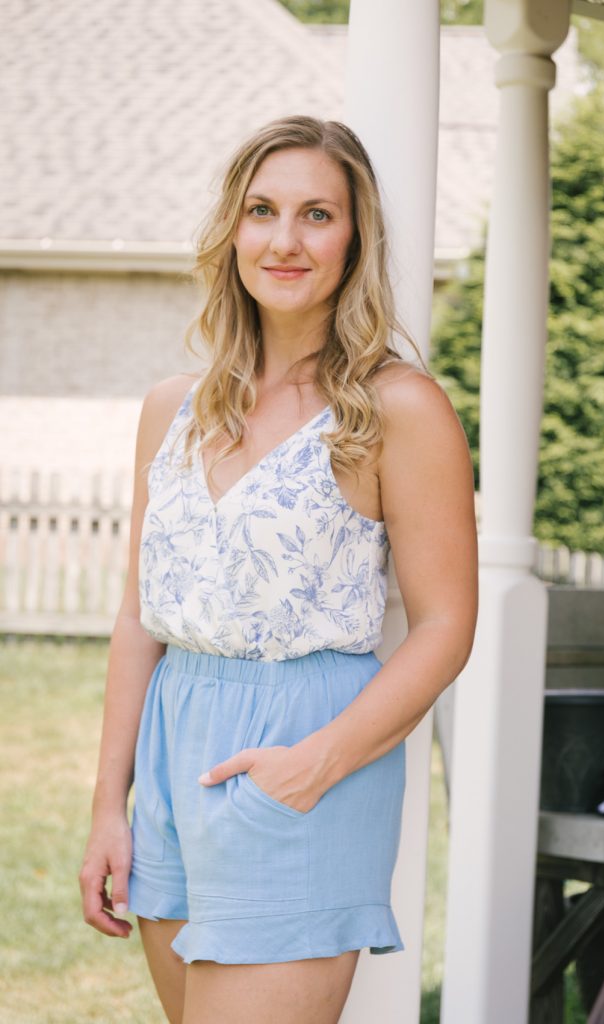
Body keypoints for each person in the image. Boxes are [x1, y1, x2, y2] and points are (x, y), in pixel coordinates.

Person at [79, 115, 478, 1024]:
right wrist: (112, 805)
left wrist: (312, 765)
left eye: (317, 214)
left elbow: (447, 625)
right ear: (232, 231)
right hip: (173, 761)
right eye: (262, 210)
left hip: (301, 759)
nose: (285, 240)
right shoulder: (170, 410)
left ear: (355, 238)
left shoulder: (395, 408)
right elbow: (141, 616)